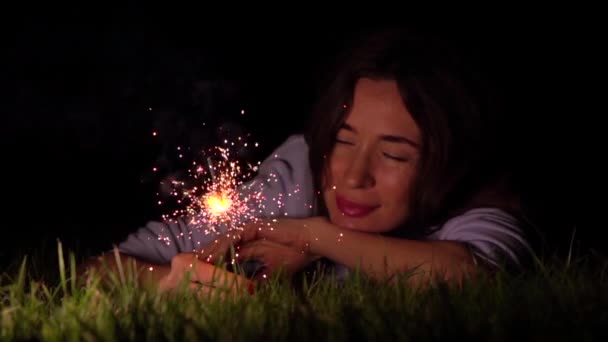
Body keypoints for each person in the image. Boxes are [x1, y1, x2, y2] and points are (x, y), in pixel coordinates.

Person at [80, 27, 538, 295]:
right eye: (342, 142)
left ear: (448, 159)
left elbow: (471, 276)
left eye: (394, 153)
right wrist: (176, 283)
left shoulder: (477, 204)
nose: (354, 176)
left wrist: (315, 236)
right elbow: (101, 268)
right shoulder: (295, 183)